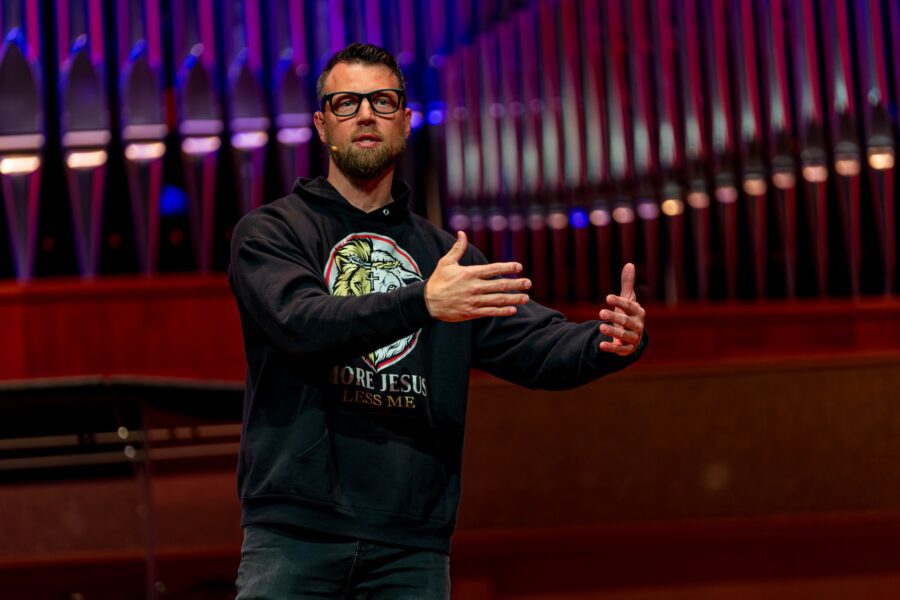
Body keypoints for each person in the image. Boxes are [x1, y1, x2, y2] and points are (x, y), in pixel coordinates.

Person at [229, 43, 647, 599]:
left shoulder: (447, 257)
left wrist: (609, 341)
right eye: (347, 102)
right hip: (296, 529)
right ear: (322, 124)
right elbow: (302, 321)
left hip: (412, 541)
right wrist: (421, 302)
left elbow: (537, 345)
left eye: (383, 100)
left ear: (405, 120)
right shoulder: (271, 233)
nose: (366, 114)